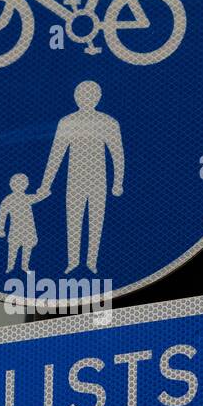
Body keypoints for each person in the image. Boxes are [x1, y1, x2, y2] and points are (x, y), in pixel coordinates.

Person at [35, 80, 124, 273]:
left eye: (91, 95)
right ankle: (72, 261)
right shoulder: (68, 122)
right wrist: (45, 184)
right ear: (76, 97)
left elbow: (117, 154)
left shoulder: (108, 122)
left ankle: (92, 262)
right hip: (74, 179)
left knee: (96, 220)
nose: (86, 99)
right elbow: (56, 154)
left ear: (98, 98)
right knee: (73, 219)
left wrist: (118, 182)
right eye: (82, 95)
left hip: (98, 179)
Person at [0, 173, 39, 273]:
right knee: (13, 248)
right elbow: (2, 216)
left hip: (28, 229)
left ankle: (25, 267)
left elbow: (38, 197)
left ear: (26, 185)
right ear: (11, 185)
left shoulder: (27, 198)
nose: (21, 186)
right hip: (15, 230)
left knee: (27, 248)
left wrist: (45, 191)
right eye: (17, 184)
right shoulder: (8, 200)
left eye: (24, 184)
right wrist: (0, 229)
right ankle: (10, 267)